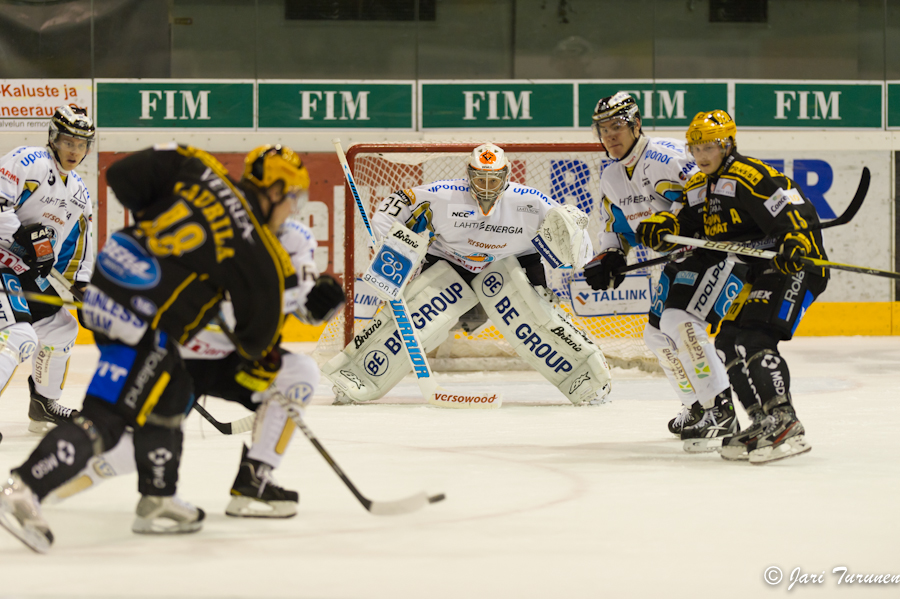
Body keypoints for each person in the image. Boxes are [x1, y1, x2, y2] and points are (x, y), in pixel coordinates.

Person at [0, 143, 305, 552]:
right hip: (141, 320)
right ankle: (26, 487)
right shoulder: (260, 254)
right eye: (294, 199)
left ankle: (158, 497)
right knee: (107, 418)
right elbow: (256, 342)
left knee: (174, 387)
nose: (294, 210)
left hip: (109, 277)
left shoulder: (202, 169)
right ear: (274, 191)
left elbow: (122, 176)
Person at [45, 210, 346, 518]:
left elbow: (306, 309)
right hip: (180, 357)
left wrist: (324, 303)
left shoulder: (295, 239)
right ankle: (39, 490)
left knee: (300, 373)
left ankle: (256, 476)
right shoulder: (213, 230)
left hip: (232, 360)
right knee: (131, 451)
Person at [322, 142, 611, 407]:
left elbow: (572, 233)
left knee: (539, 320)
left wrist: (582, 259)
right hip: (450, 261)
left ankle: (589, 382)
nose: (486, 186)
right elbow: (389, 210)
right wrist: (394, 245)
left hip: (515, 262)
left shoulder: (531, 202)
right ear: (468, 175)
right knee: (416, 319)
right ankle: (354, 377)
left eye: (494, 179)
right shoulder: (442, 194)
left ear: (506, 176)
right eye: (480, 178)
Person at [636, 109, 827, 464]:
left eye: (710, 146)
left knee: (755, 338)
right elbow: (687, 226)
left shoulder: (750, 175)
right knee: (727, 340)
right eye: (696, 148)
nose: (703, 155)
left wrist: (795, 242)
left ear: (728, 145)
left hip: (797, 265)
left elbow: (792, 206)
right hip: (760, 273)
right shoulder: (698, 186)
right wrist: (662, 228)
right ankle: (760, 420)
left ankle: (784, 420)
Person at [582, 93, 745, 451]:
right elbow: (614, 223)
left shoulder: (669, 155)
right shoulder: (610, 173)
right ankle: (698, 406)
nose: (610, 135)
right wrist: (610, 254)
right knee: (657, 335)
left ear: (636, 124)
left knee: (680, 323)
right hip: (681, 260)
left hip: (713, 252)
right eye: (603, 129)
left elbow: (709, 188)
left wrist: (680, 221)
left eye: (617, 126)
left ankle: (719, 407)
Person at [0, 105, 95, 439]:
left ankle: (43, 405)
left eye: (82, 144)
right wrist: (20, 233)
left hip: (22, 272)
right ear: (54, 138)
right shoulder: (29, 161)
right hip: (1, 260)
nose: (74, 150)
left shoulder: (80, 193)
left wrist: (83, 289)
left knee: (61, 329)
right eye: (68, 141)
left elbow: (79, 251)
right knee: (19, 336)